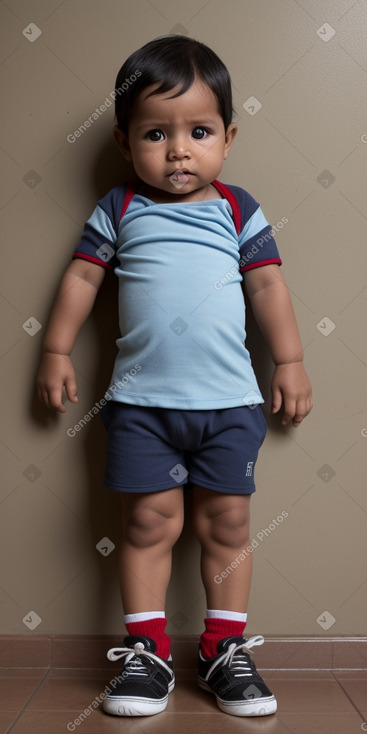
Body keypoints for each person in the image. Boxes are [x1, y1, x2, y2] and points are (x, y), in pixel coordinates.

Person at [37, 35, 312, 718]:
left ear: (227, 136)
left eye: (198, 131)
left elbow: (269, 288)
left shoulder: (237, 208)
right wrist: (55, 351)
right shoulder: (120, 208)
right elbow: (80, 276)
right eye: (156, 134)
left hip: (230, 406)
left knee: (228, 525)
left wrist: (291, 360)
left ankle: (224, 649)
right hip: (139, 407)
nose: (178, 150)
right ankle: (147, 654)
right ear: (126, 142)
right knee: (146, 527)